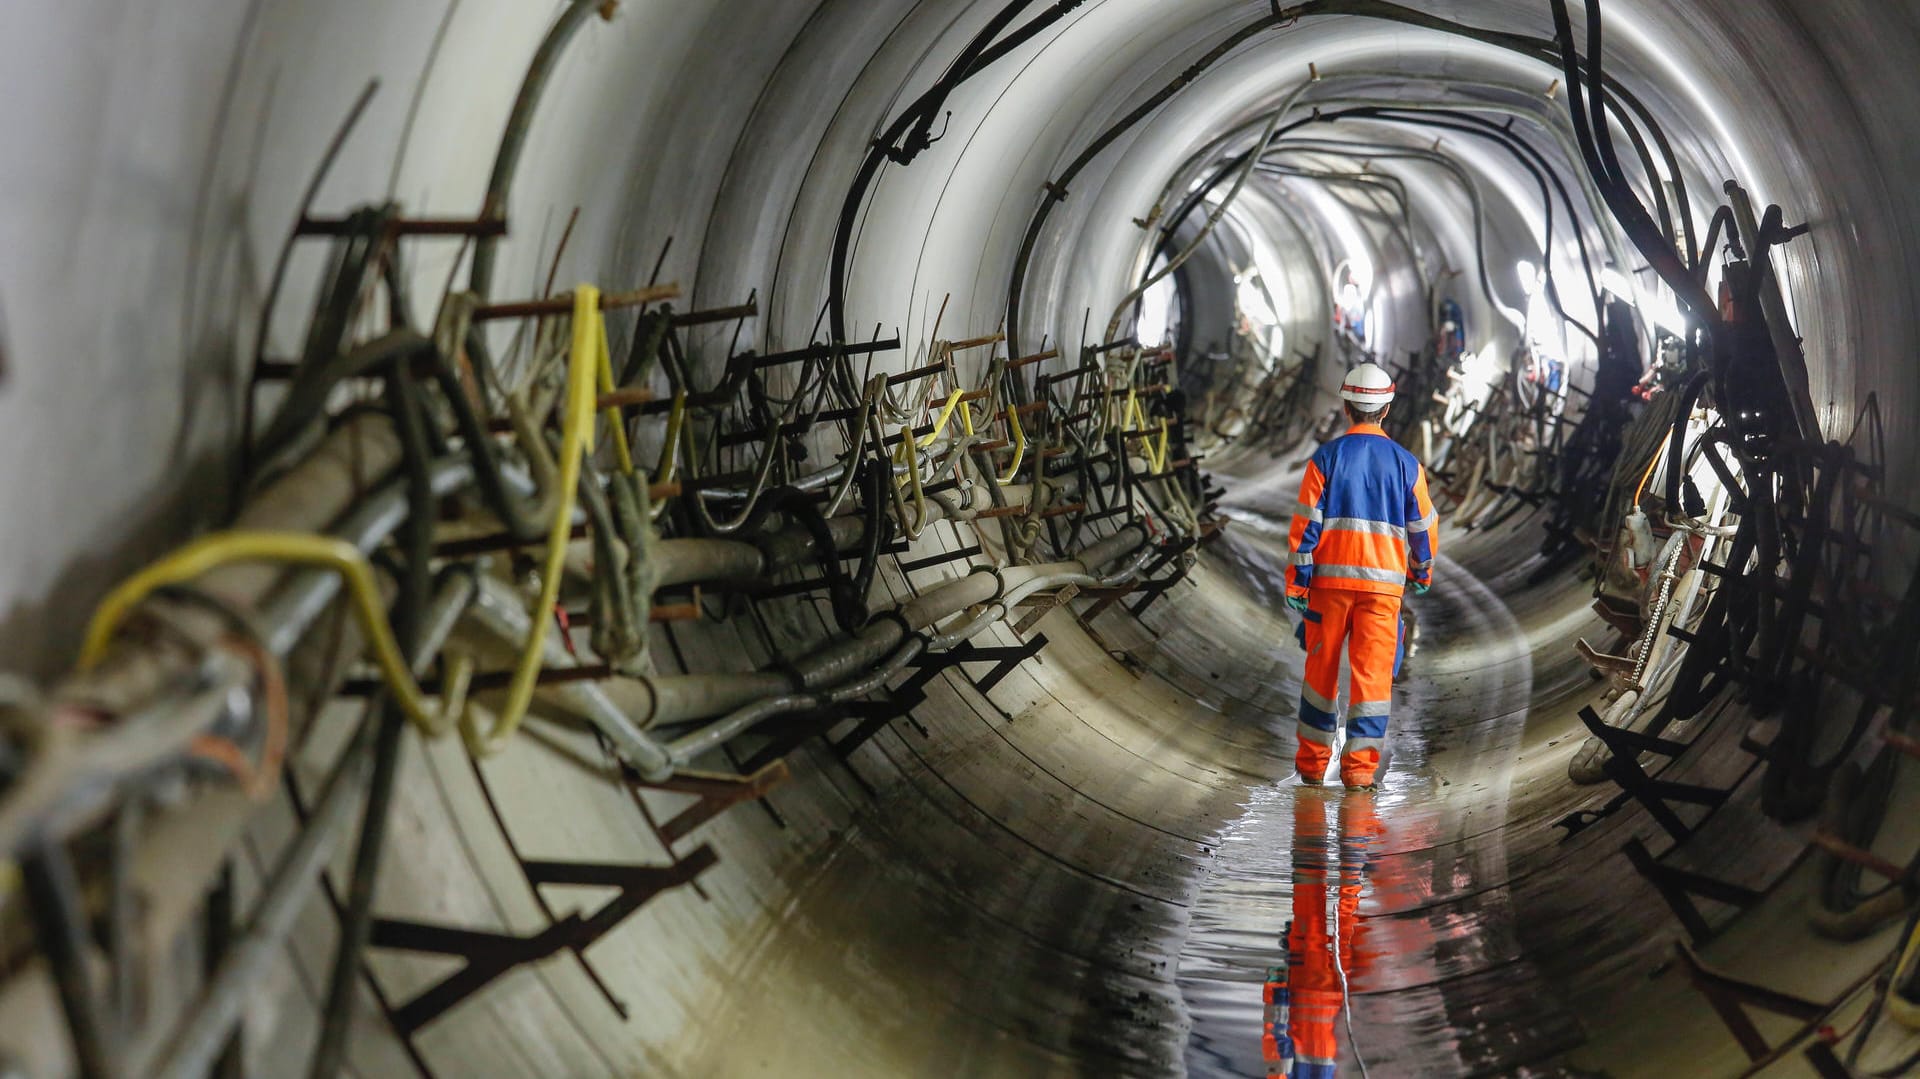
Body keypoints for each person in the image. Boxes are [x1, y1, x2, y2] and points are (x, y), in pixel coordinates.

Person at [1284, 363, 1438, 789]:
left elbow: (1305, 528)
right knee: (1371, 681)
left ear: (1346, 406)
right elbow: (1423, 526)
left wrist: (1298, 581)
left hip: (1328, 588)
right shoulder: (1407, 465)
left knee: (1321, 675)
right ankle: (1359, 771)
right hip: (1382, 592)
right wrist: (1420, 570)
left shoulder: (1325, 459)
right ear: (1386, 409)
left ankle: (1312, 766)